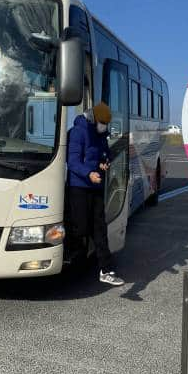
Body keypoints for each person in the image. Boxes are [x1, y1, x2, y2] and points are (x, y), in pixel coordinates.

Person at [66, 102, 124, 286]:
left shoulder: (101, 134)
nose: (104, 127)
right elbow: (73, 161)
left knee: (100, 228)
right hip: (79, 187)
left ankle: (106, 270)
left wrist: (103, 163)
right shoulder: (78, 131)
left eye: (106, 124)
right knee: (80, 227)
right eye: (102, 123)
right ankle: (76, 263)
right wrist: (89, 173)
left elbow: (103, 153)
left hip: (96, 186)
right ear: (93, 118)